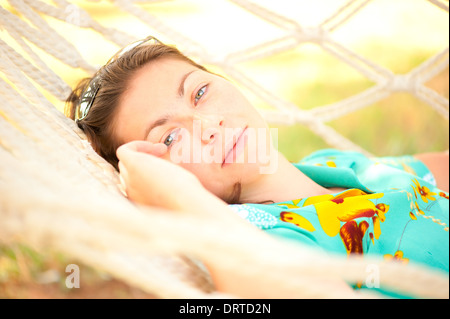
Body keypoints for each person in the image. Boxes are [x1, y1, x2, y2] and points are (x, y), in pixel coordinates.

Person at [66, 36, 449, 298]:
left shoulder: (333, 168)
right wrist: (179, 199)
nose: (209, 126)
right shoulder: (257, 239)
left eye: (200, 92)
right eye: (169, 138)